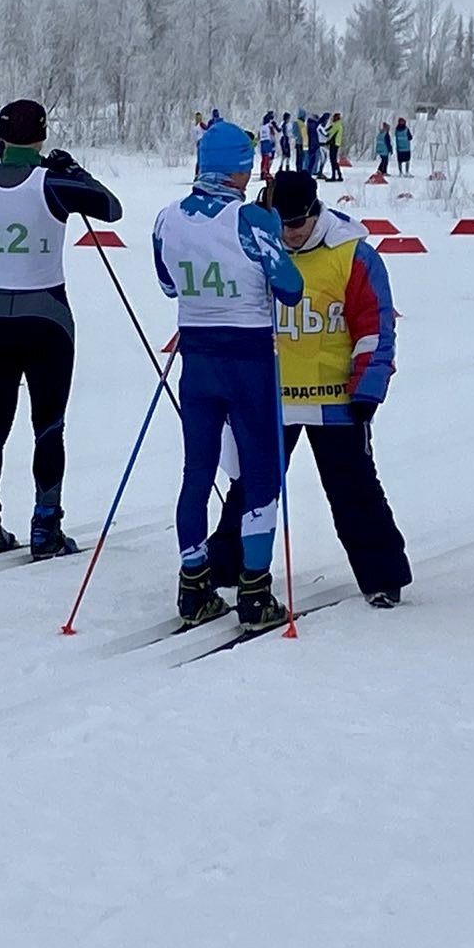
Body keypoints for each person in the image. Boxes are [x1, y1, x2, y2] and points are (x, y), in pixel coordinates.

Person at [202, 171, 409, 606]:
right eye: (282, 228)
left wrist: (367, 388)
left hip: (335, 401)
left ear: (317, 213)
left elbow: (375, 328)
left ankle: (383, 576)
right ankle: (225, 565)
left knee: (352, 489)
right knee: (250, 488)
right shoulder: (259, 251)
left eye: (297, 226)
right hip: (270, 399)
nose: (290, 236)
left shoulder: (352, 255)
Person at [154, 122, 304, 628]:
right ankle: (255, 593)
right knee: (261, 473)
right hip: (248, 358)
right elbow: (289, 286)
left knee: (196, 473)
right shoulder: (253, 218)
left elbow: (167, 286)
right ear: (241, 168)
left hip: (196, 358)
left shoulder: (166, 218)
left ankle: (193, 584)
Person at [0, 99, 123, 559]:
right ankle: (45, 526)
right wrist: (72, 171)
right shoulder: (51, 183)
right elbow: (110, 208)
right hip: (48, 316)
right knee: (48, 426)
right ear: (42, 134)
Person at [258, 111, 278, 181]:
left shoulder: (261, 127)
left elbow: (259, 136)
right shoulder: (269, 126)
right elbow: (273, 134)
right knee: (268, 158)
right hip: (268, 142)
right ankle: (266, 172)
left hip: (262, 142)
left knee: (264, 158)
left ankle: (262, 172)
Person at [326, 112, 345, 182]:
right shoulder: (339, 125)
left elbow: (331, 133)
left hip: (333, 144)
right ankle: (339, 175)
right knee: (334, 161)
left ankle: (334, 176)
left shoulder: (336, 125)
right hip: (337, 144)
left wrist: (326, 141)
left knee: (333, 160)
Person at [191, 112, 207, 178]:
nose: (198, 119)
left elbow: (206, 132)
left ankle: (201, 174)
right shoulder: (195, 126)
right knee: (199, 160)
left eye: (199, 117)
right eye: (197, 118)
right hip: (200, 142)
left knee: (202, 159)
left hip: (203, 142)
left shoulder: (203, 125)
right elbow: (194, 135)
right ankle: (197, 175)